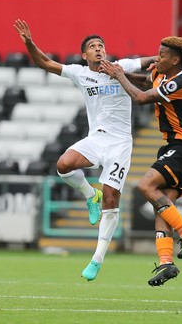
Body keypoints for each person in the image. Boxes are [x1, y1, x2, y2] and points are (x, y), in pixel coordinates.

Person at [14, 19, 156, 281]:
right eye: (93, 46)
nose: (99, 49)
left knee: (112, 198)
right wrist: (30, 43)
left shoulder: (121, 66)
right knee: (63, 165)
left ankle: (97, 259)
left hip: (120, 142)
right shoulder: (80, 73)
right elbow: (44, 63)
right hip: (96, 138)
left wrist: (167, 57)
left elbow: (150, 63)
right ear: (84, 54)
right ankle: (91, 196)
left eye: (101, 45)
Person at [100, 36, 182, 286]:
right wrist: (114, 73)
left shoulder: (180, 81)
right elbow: (144, 83)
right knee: (160, 203)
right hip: (177, 146)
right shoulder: (163, 74)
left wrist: (119, 75)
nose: (156, 58)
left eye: (161, 55)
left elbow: (141, 98)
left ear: (175, 60)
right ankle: (166, 263)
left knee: (145, 186)